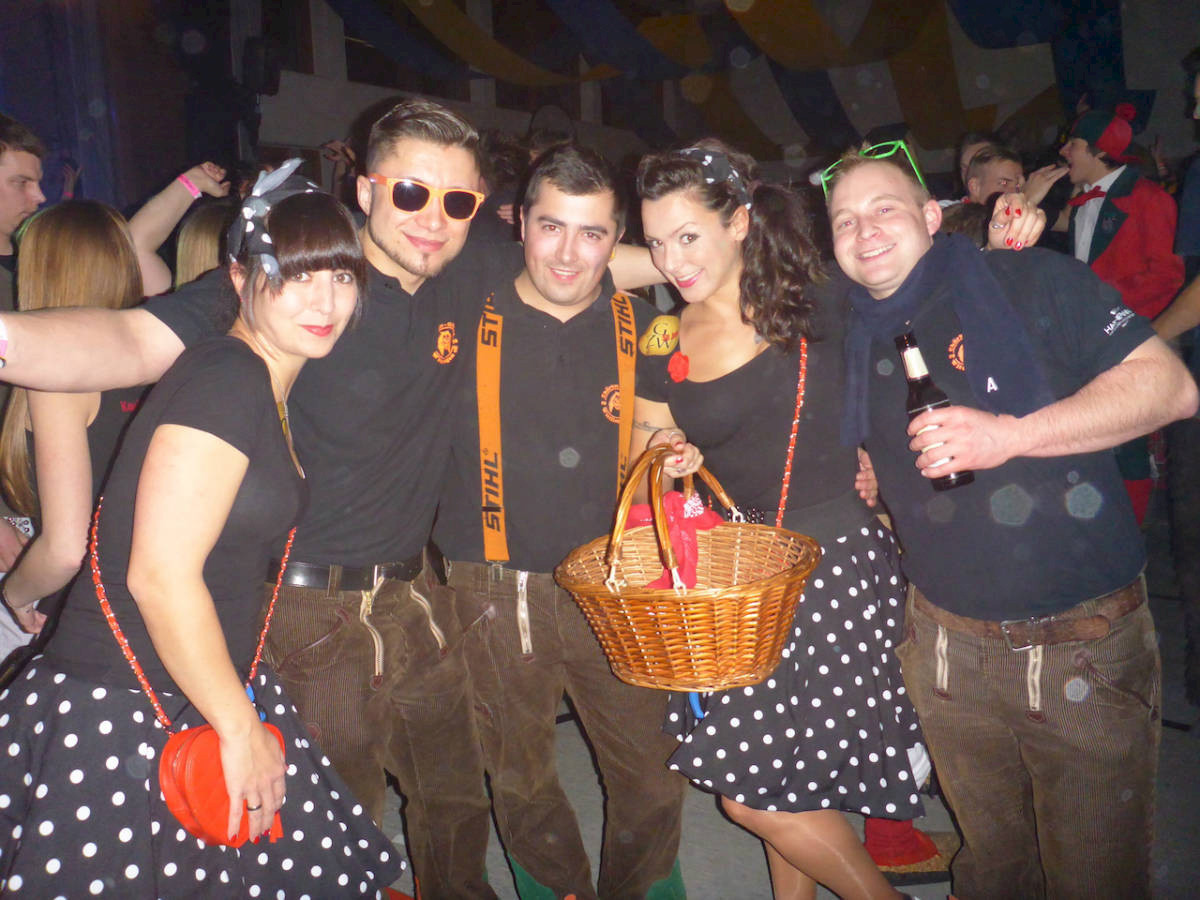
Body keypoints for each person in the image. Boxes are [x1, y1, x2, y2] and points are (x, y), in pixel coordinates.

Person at [0, 166, 404, 895]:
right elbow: (159, 576)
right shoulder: (228, 378)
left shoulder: (257, 377)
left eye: (341, 277)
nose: (324, 301)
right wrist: (240, 727)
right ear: (239, 278)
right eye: (296, 275)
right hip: (129, 704)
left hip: (188, 684)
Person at [823, 149, 1198, 899]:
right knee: (994, 868)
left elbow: (1170, 387)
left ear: (931, 216)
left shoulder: (1027, 281)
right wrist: (877, 487)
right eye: (844, 221)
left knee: (1097, 877)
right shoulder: (855, 337)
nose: (865, 231)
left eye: (885, 209)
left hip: (1080, 644)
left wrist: (1011, 435)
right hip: (945, 648)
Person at [630, 140, 925, 900]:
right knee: (781, 776)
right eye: (656, 243)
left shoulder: (819, 300)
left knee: (752, 794)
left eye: (687, 236)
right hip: (740, 579)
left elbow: (918, 303)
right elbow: (641, 451)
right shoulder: (663, 336)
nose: (671, 261)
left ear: (738, 222)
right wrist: (668, 457)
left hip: (833, 564)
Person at [434, 142, 687, 900]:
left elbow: (657, 443)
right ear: (519, 223)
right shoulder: (458, 307)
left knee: (652, 769)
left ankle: (641, 889)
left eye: (591, 233)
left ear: (617, 240)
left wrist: (670, 453)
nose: (569, 254)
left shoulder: (650, 328)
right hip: (490, 583)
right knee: (519, 774)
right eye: (551, 227)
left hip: (615, 581)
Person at [0, 202, 148, 680]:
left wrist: (13, 595)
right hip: (153, 605)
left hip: (79, 616)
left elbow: (67, 549)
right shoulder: (166, 356)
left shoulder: (59, 377)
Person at [1059, 105, 1186, 523]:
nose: (1064, 151)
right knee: (1099, 438)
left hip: (1131, 337)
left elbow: (1167, 276)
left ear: (1099, 151)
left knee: (1128, 442)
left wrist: (1101, 307)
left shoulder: (1149, 198)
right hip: (1090, 340)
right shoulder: (1082, 201)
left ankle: (1133, 534)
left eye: (1074, 144)